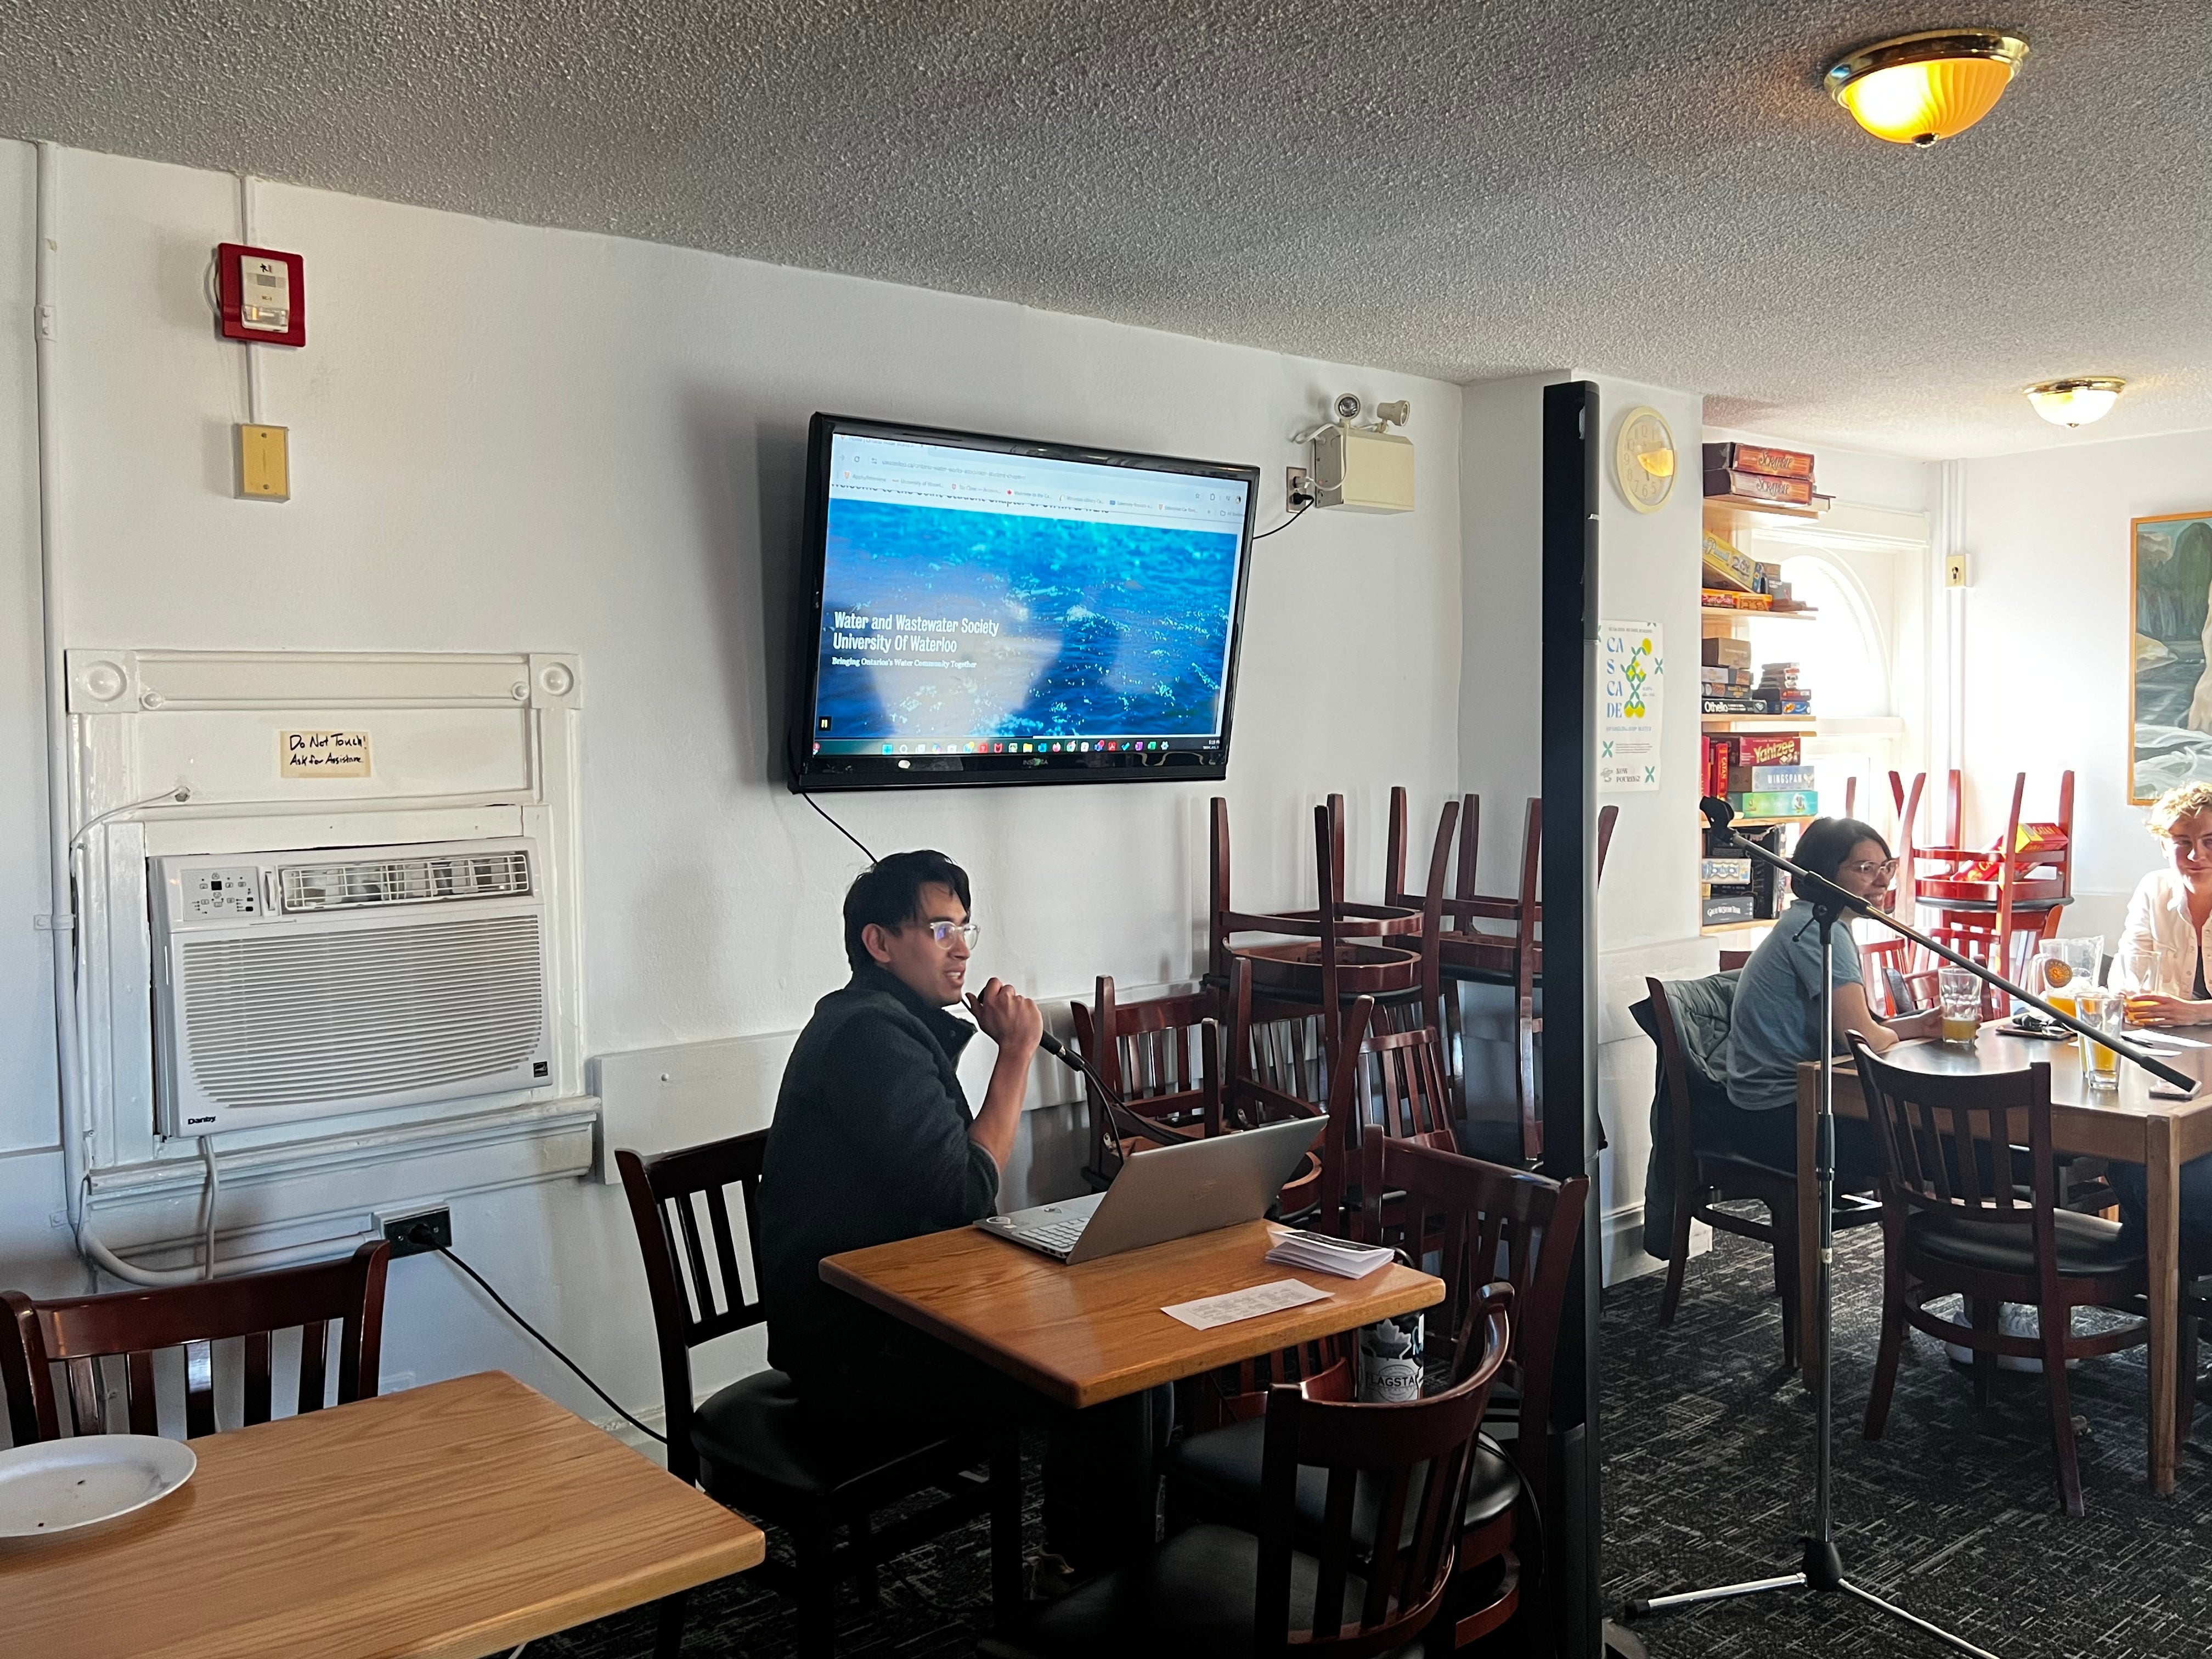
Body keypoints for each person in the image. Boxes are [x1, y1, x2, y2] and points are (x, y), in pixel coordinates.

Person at [759, 849, 1164, 1585]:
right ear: (880, 943)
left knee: (1119, 1348)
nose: (963, 948)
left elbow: (944, 1191)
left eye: (966, 929)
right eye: (941, 929)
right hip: (853, 1350)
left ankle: (1094, 1562)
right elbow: (963, 1196)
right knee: (1112, 1368)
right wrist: (1017, 1054)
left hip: (895, 1309)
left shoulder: (885, 1022)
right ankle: (1096, 1583)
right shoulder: (868, 1037)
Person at [1720, 817, 1940, 1180]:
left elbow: (1860, 1028)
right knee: (1963, 1150)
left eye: (1886, 867)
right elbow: (1862, 1039)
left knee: (1948, 1145)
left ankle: (1925, 1229)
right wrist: (1893, 1033)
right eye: (1865, 868)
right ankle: (1936, 1232)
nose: (1883, 880)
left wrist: (1918, 1024)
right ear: (1822, 874)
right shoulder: (1820, 931)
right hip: (1784, 1118)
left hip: (1779, 1109)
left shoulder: (1806, 922)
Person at [2109, 782, 2212, 1265]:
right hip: (2166, 1053)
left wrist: (2197, 1011)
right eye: (2182, 841)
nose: (2196, 854)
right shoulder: (2154, 888)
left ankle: (2177, 1267)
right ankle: (2157, 1268)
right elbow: (2127, 971)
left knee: (2176, 1169)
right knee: (2131, 1149)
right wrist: (2130, 994)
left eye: (2211, 841)